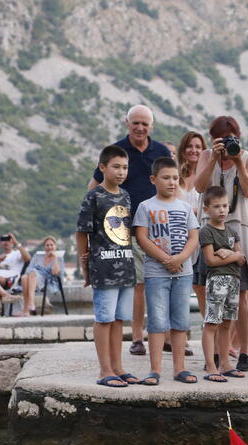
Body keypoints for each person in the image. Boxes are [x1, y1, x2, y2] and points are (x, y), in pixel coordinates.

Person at [88, 105, 172, 356]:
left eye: (145, 123)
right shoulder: (117, 151)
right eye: (135, 122)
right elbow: (94, 186)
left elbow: (171, 181)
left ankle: (165, 336)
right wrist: (94, 214)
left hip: (158, 225)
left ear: (152, 126)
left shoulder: (161, 151)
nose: (140, 127)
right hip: (126, 229)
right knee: (138, 285)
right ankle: (137, 337)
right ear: (127, 122)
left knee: (163, 282)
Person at [193, 116, 248, 372]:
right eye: (219, 139)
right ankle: (218, 356)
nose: (227, 144)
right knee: (212, 295)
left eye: (232, 139)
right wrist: (212, 160)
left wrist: (237, 162)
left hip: (239, 228)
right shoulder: (207, 156)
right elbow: (200, 187)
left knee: (242, 295)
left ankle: (244, 352)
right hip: (210, 230)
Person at [76, 145, 139, 388]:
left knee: (119, 320)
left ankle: (118, 366)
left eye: (125, 167)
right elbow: (82, 233)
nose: (121, 171)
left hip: (126, 267)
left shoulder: (126, 196)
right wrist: (85, 267)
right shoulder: (93, 196)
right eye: (116, 167)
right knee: (104, 319)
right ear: (102, 167)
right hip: (103, 268)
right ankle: (104, 370)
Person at [133, 156, 199, 385]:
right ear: (154, 179)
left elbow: (193, 237)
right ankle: (155, 370)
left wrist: (180, 258)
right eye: (166, 178)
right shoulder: (146, 206)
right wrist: (165, 259)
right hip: (156, 273)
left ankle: (180, 369)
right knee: (157, 322)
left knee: (180, 322)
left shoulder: (185, 207)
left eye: (175, 178)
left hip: (183, 273)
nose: (172, 182)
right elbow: (142, 237)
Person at [198, 186, 246, 382]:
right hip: (217, 280)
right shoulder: (206, 231)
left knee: (227, 323)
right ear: (207, 209)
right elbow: (211, 260)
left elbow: (242, 259)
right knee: (212, 323)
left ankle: (225, 363)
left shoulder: (232, 231)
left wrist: (230, 253)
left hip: (234, 280)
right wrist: (233, 255)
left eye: (225, 206)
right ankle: (211, 365)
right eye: (217, 206)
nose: (222, 210)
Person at [177, 131, 208, 326]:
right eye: (190, 146)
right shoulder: (175, 175)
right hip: (178, 237)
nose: (194, 150)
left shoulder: (207, 176)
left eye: (198, 146)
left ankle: (209, 330)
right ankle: (179, 333)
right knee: (179, 288)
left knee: (201, 287)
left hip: (201, 237)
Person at [18, 236, 63, 316]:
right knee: (24, 277)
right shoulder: (38, 256)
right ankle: (28, 307)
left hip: (49, 281)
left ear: (55, 246)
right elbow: (28, 269)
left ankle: (28, 307)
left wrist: (55, 257)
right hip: (33, 279)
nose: (49, 247)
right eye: (47, 245)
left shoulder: (59, 258)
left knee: (31, 274)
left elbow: (55, 273)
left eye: (51, 245)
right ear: (44, 247)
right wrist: (34, 272)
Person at [0, 232, 31, 312]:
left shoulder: (17, 254)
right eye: (3, 240)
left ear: (12, 242)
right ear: (0, 243)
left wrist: (16, 242)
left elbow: (28, 259)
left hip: (10, 280)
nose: (6, 242)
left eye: (8, 240)